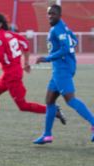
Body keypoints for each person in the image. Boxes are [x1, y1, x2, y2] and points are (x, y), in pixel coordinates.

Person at [0, 13, 65, 137]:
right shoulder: (11, 35)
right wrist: (26, 62)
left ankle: (53, 110)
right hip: (10, 74)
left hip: (12, 76)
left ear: (0, 24)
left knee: (23, 106)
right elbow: (25, 44)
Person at [34, 5, 94, 144]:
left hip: (62, 69)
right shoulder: (63, 27)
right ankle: (47, 135)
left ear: (59, 15)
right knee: (49, 100)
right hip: (60, 69)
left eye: (53, 14)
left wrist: (46, 58)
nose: (50, 16)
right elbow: (74, 40)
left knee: (70, 100)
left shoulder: (58, 29)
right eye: (49, 14)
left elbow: (66, 48)